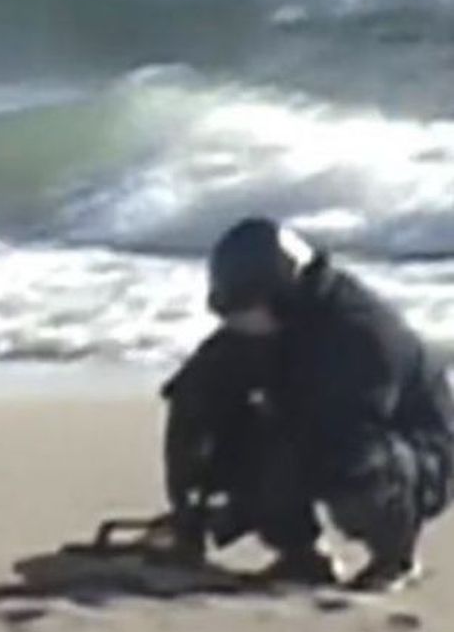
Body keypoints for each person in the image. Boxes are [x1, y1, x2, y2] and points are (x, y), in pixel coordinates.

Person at [163, 218, 454, 592]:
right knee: (235, 428)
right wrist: (189, 504)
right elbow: (192, 401)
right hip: (318, 429)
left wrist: (238, 511)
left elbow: (335, 430)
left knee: (352, 457)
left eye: (242, 308)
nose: (235, 322)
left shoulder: (361, 333)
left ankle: (393, 557)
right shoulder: (263, 325)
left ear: (278, 293)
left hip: (419, 453)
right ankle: (301, 556)